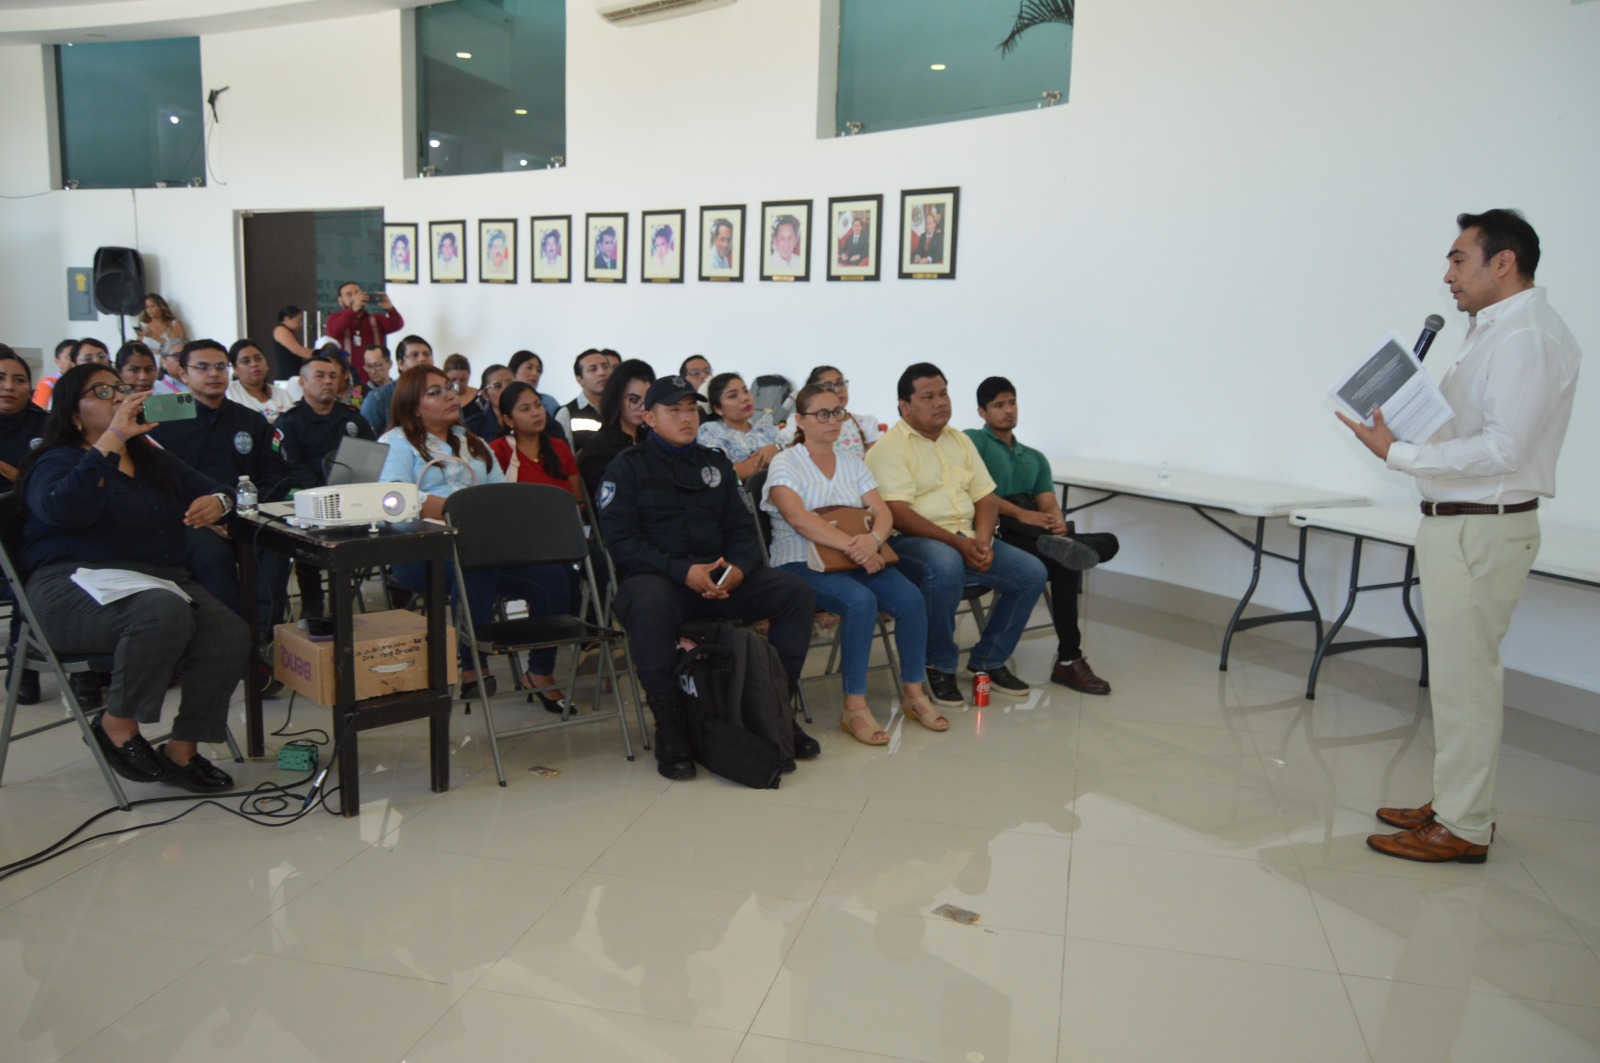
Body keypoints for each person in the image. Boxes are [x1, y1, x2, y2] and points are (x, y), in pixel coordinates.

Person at [1338, 209, 1583, 864]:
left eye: (1458, 259)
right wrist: (1401, 431)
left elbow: (1504, 448)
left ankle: (1464, 826)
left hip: (1483, 527)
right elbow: (1473, 434)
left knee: (1466, 683)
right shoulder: (1495, 332)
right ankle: (1456, 804)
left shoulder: (1527, 337)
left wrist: (1400, 455)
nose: (1447, 275)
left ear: (1503, 262)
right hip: (1463, 524)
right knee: (1455, 680)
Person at [17, 363, 246, 791]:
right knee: (161, 611)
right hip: (71, 586)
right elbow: (63, 510)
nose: (120, 396)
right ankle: (117, 724)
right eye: (102, 391)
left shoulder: (149, 457)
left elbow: (220, 488)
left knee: (228, 631)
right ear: (73, 413)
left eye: (121, 388)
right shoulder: (54, 460)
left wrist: (219, 502)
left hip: (155, 580)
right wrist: (112, 439)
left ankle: (182, 751)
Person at [598, 375, 819, 780]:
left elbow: (742, 530)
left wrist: (738, 569)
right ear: (649, 418)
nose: (687, 418)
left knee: (794, 593)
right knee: (649, 604)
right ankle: (671, 726)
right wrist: (683, 572)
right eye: (674, 410)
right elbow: (622, 542)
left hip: (720, 578)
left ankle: (774, 711)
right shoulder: (627, 467)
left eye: (691, 409)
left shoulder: (714, 464)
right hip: (661, 579)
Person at [378, 366, 571, 705]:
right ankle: (472, 666)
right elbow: (394, 498)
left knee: (553, 576)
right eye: (435, 392)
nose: (449, 395)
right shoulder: (396, 443)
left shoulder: (472, 441)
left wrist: (481, 516)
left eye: (448, 388)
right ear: (413, 406)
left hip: (482, 545)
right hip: (421, 552)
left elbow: (501, 495)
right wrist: (461, 509)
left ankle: (539, 670)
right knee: (475, 567)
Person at [762, 384, 938, 742]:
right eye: (822, 414)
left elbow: (882, 512)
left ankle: (914, 692)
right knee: (861, 601)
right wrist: (855, 547)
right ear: (800, 420)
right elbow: (798, 519)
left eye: (837, 412)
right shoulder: (786, 462)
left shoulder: (851, 462)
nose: (832, 420)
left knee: (910, 599)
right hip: (800, 560)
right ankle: (854, 707)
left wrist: (874, 541)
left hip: (856, 557)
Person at [866, 363, 1046, 709]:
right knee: (945, 563)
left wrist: (983, 541)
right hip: (908, 541)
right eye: (928, 397)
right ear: (904, 406)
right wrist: (957, 543)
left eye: (944, 393)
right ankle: (938, 664)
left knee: (1031, 572)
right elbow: (897, 512)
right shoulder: (888, 448)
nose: (940, 402)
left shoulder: (959, 440)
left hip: (966, 537)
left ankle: (989, 660)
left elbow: (985, 497)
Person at [968, 376, 1120, 695]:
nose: (1008, 410)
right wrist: (1020, 513)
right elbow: (975, 493)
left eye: (1012, 403)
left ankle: (1062, 543)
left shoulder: (1034, 456)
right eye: (998, 405)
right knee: (1065, 562)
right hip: (998, 528)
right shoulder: (973, 442)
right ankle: (1068, 660)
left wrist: (1057, 523)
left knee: (1108, 541)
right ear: (982, 412)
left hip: (1036, 531)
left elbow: (1047, 503)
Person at [148, 339, 292, 637]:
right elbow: (154, 480)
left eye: (220, 367)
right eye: (202, 367)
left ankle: (264, 637)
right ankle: (231, 636)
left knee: (275, 547)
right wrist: (202, 515)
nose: (213, 374)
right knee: (212, 556)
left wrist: (240, 512)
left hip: (247, 515)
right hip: (193, 520)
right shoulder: (162, 420)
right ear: (183, 374)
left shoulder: (250, 420)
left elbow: (273, 475)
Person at [272, 353, 379, 617]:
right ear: (302, 383)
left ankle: (344, 602)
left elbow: (371, 454)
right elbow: (291, 466)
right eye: (320, 376)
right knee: (307, 536)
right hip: (308, 500)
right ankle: (313, 602)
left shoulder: (352, 419)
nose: (328, 381)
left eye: (333, 375)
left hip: (351, 499)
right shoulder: (289, 422)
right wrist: (324, 492)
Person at [576, 358, 655, 502]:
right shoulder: (599, 446)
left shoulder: (652, 438)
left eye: (647, 401)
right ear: (617, 398)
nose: (643, 408)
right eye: (634, 400)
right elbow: (605, 499)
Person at [489, 381, 580, 497]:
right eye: (525, 409)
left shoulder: (559, 446)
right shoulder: (498, 450)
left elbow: (578, 498)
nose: (536, 413)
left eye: (538, 405)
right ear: (509, 420)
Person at [778, 366, 880, 458]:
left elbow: (876, 463)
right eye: (828, 386)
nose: (838, 389)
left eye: (840, 383)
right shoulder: (801, 421)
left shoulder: (865, 423)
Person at [697, 372, 780, 481]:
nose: (745, 398)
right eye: (733, 396)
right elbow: (719, 475)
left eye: (746, 391)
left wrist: (777, 449)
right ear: (718, 409)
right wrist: (770, 456)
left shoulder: (763, 426)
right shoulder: (711, 431)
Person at [324, 282, 404, 384]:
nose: (355, 297)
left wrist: (390, 309)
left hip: (376, 380)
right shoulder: (334, 318)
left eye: (358, 293)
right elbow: (334, 331)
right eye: (349, 294)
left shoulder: (375, 319)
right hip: (348, 381)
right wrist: (353, 310)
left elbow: (397, 324)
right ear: (340, 300)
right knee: (354, 394)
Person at [360, 334, 433, 434]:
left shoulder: (443, 392)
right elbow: (366, 440)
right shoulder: (379, 398)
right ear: (400, 364)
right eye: (415, 355)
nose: (422, 359)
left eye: (427, 354)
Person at [0, 343, 44, 491]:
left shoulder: (50, 425)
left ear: (30, 391)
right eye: (0, 378)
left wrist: (10, 472)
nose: (9, 386)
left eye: (19, 380)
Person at [225, 338, 294, 423]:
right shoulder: (228, 392)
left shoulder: (283, 395)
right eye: (246, 361)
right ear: (235, 369)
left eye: (258, 358)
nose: (254, 364)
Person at [555, 348, 610, 452]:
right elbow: (565, 456)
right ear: (580, 379)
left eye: (605, 367)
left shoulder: (621, 408)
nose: (602, 372)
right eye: (593, 369)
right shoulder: (566, 414)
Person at [507, 349, 565, 430]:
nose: (535, 373)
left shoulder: (548, 402)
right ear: (513, 370)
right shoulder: (503, 400)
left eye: (538, 370)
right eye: (529, 367)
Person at [461, 364, 511, 442]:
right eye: (497, 386)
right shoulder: (474, 426)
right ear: (485, 395)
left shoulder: (527, 418)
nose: (505, 389)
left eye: (510, 384)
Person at [134, 294, 187, 359]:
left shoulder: (174, 324)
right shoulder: (144, 324)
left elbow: (177, 349)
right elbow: (138, 347)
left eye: (153, 306)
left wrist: (153, 336)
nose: (149, 310)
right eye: (146, 307)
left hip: (166, 361)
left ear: (161, 306)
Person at [271, 305, 317, 380]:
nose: (301, 324)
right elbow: (298, 350)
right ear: (287, 319)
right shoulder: (280, 329)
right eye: (298, 320)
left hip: (293, 375)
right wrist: (320, 355)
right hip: (287, 377)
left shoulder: (287, 331)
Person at [31, 339, 78, 409]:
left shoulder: (89, 381)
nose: (74, 361)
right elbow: (39, 411)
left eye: (77, 356)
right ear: (57, 361)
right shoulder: (48, 383)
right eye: (69, 357)